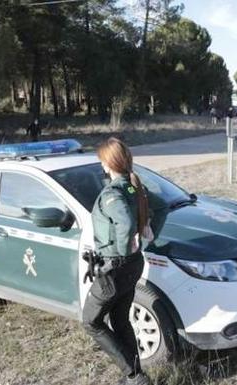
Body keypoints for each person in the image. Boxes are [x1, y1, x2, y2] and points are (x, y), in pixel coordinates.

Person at [83, 137, 151, 385]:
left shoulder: (113, 193)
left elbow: (126, 223)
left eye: (102, 160)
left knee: (91, 322)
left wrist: (118, 255)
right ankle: (134, 371)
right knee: (120, 320)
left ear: (108, 163)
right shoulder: (133, 187)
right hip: (132, 264)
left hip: (115, 268)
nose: (101, 164)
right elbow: (150, 214)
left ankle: (134, 375)